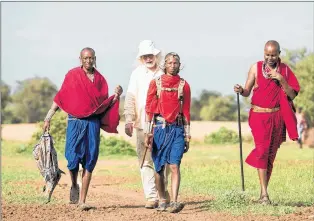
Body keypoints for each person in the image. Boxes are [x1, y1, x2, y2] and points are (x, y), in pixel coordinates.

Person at [43, 47, 123, 210]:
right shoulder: (72, 75)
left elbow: (103, 106)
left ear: (95, 58)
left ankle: (82, 200)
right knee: (72, 160)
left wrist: (116, 96)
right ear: (80, 59)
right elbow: (60, 98)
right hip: (75, 122)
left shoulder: (100, 80)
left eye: (91, 58)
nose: (88, 61)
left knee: (89, 160)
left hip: (92, 124)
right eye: (85, 58)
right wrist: (48, 117)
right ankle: (74, 184)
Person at [234, 40, 300, 205]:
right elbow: (247, 91)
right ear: (263, 53)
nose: (270, 58)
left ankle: (262, 194)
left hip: (277, 117)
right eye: (267, 54)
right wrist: (241, 90)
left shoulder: (284, 70)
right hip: (259, 116)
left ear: (279, 54)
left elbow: (292, 95)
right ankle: (264, 195)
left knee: (270, 155)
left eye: (273, 54)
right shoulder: (255, 68)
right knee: (262, 151)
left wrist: (281, 79)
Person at [124, 40, 169, 209]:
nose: (148, 58)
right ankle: (151, 197)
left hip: (163, 124)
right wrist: (129, 119)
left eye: (151, 55)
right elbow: (130, 98)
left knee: (163, 160)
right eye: (145, 56)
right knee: (145, 160)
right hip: (143, 123)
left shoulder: (165, 72)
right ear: (141, 58)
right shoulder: (136, 74)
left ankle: (162, 195)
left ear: (156, 55)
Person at [144, 52, 191, 213]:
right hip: (159, 129)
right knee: (158, 168)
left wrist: (187, 135)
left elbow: (186, 112)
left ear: (179, 65)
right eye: (170, 63)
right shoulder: (155, 83)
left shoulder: (184, 85)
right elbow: (149, 109)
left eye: (175, 63)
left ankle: (175, 201)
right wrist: (147, 134)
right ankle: (163, 199)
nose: (172, 65)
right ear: (165, 64)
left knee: (175, 165)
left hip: (177, 130)